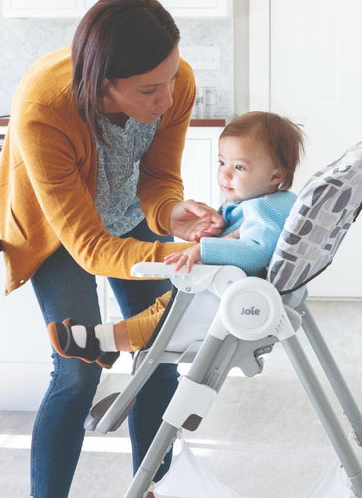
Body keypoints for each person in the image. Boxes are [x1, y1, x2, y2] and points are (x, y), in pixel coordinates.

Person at [0, 0, 225, 498]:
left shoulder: (172, 84)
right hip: (58, 230)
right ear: (102, 86)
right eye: (149, 90)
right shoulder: (44, 108)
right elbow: (89, 247)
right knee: (76, 371)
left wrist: (171, 213)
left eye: (171, 79)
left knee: (161, 363)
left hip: (127, 217)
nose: (168, 97)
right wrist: (172, 257)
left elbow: (157, 179)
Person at [48, 111, 306, 364]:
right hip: (217, 288)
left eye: (239, 167)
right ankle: (104, 343)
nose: (225, 175)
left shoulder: (265, 207)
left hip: (223, 297)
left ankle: (100, 341)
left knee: (167, 320)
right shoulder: (259, 203)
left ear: (275, 175)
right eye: (222, 163)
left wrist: (203, 249)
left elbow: (257, 252)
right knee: (164, 306)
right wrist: (214, 232)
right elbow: (242, 237)